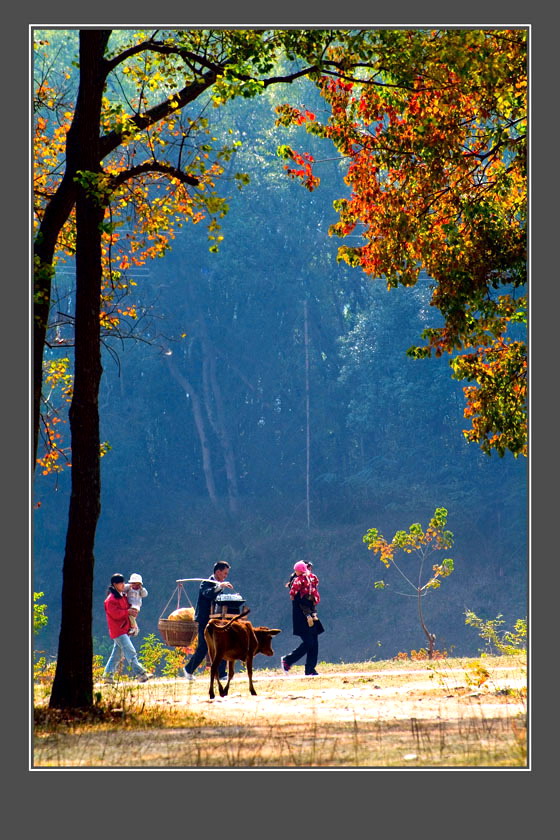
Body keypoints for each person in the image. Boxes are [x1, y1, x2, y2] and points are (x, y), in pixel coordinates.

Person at [183, 561, 234, 681]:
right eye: (224, 574)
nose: (225, 576)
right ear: (218, 572)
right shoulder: (206, 583)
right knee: (204, 647)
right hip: (204, 619)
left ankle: (221, 674)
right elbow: (207, 594)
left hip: (215, 620)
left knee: (221, 644)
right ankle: (188, 669)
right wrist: (220, 586)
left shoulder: (218, 584)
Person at [102, 573, 152, 684]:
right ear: (115, 584)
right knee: (130, 651)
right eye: (121, 583)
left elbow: (128, 609)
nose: (123, 585)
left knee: (117, 655)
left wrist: (132, 619)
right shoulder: (111, 600)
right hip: (118, 630)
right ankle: (141, 674)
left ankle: (108, 676)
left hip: (123, 628)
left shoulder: (122, 596)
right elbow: (115, 614)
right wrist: (127, 612)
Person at [281, 561, 324, 676]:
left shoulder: (309, 580)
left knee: (314, 641)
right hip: (301, 615)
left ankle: (310, 669)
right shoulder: (297, 580)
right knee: (309, 641)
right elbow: (296, 598)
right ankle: (288, 660)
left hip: (311, 613)